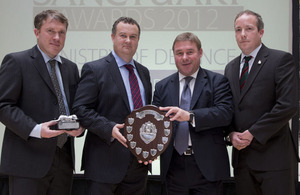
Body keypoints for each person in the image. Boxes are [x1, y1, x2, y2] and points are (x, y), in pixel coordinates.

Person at [0, 10, 84, 195]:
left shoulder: (70, 68)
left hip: (64, 161)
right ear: (37, 32)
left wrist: (80, 128)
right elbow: (3, 106)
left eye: (61, 32)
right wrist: (36, 130)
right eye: (50, 31)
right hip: (27, 162)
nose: (57, 37)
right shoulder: (17, 61)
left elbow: (75, 108)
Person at [72, 17, 152, 195]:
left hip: (138, 165)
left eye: (133, 36)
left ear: (138, 39)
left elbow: (146, 115)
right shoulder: (94, 69)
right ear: (113, 37)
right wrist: (108, 128)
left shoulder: (144, 72)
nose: (128, 41)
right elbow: (80, 108)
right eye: (123, 35)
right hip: (104, 165)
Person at [224, 10, 298, 195]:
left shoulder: (280, 60)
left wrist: (253, 133)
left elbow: (287, 105)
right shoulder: (230, 68)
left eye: (249, 29)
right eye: (238, 29)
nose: (243, 34)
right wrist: (230, 134)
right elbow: (229, 108)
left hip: (274, 161)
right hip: (242, 162)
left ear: (261, 32)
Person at [152, 32, 233, 195]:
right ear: (174, 55)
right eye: (179, 53)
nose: (184, 58)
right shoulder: (162, 86)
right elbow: (156, 123)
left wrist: (190, 116)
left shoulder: (217, 81)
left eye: (190, 52)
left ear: (200, 53)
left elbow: (225, 113)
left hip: (207, 168)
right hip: (173, 167)